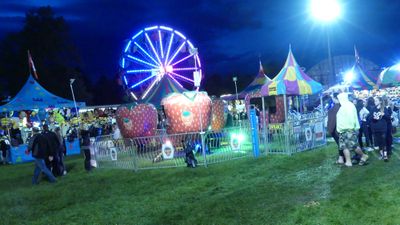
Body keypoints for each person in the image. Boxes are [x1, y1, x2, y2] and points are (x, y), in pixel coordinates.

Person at [336, 93, 369, 167]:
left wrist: (351, 128)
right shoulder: (343, 106)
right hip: (342, 130)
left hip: (349, 129)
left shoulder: (349, 106)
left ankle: (363, 155)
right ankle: (348, 161)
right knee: (344, 146)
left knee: (353, 145)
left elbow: (351, 118)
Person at [370, 96, 391, 161]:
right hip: (375, 128)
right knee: (379, 142)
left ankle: (385, 155)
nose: (375, 102)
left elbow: (388, 118)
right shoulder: (373, 109)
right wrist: (373, 118)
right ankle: (381, 154)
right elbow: (369, 118)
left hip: (383, 128)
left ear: (380, 101)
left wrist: (384, 114)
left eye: (376, 100)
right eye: (374, 100)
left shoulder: (384, 108)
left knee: (383, 141)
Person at [327, 93, 344, 164]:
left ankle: (342, 158)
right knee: (342, 144)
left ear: (334, 98)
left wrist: (330, 131)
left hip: (337, 130)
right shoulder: (343, 106)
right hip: (344, 128)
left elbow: (332, 121)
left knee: (341, 144)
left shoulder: (334, 109)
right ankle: (342, 158)